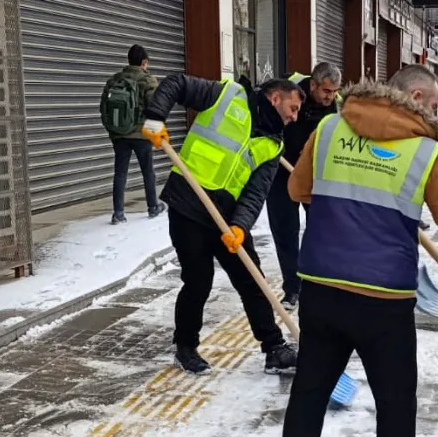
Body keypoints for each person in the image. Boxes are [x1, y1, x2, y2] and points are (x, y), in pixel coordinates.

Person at [272, 64, 438, 437]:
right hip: (384, 301)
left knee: (309, 394)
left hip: (323, 289)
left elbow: (296, 189)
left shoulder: (330, 128)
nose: (436, 115)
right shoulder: (426, 152)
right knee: (395, 402)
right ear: (415, 95)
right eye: (434, 105)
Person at [141, 76, 305, 376]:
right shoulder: (227, 95)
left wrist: (240, 226)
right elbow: (176, 84)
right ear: (275, 99)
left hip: (227, 217)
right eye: (293, 108)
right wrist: (155, 117)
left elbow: (256, 193)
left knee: (252, 279)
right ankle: (186, 348)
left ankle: (274, 349)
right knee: (198, 280)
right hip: (188, 203)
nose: (294, 117)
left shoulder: (273, 144)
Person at [266, 63, 342, 311]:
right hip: (282, 174)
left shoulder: (337, 106)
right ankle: (292, 288)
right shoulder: (289, 93)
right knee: (286, 232)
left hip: (316, 177)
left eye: (334, 91)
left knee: (320, 231)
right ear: (313, 85)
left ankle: (317, 282)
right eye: (326, 91)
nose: (330, 96)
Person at [101, 44, 165, 225]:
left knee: (120, 173)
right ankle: (153, 207)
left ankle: (118, 213)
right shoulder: (148, 80)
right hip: (141, 135)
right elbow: (155, 108)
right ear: (144, 62)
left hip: (120, 135)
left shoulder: (115, 80)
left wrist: (113, 131)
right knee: (148, 171)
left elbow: (103, 108)